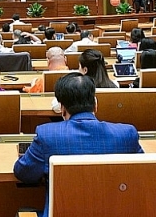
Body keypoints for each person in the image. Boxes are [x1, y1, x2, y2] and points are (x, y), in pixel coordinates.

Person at [14, 73, 143, 217]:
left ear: (62, 108)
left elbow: (23, 173)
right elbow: (143, 176)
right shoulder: (127, 134)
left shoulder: (47, 135)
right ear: (95, 104)